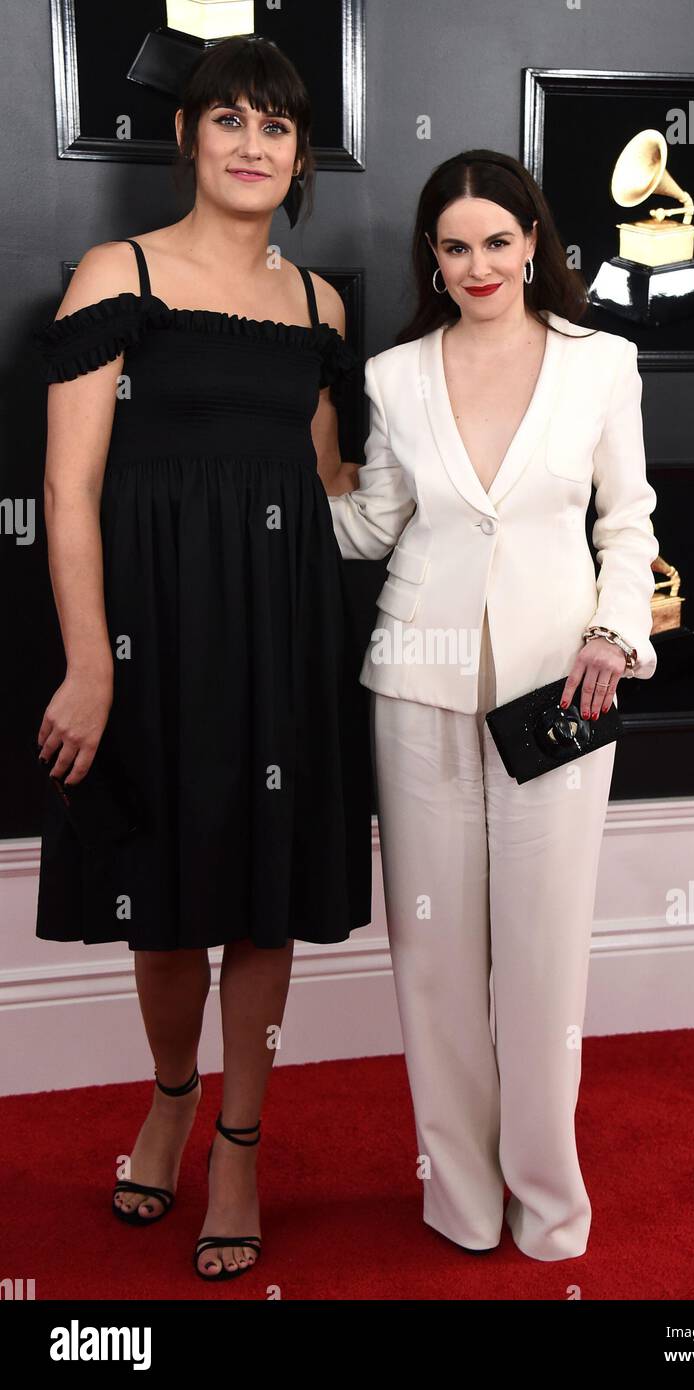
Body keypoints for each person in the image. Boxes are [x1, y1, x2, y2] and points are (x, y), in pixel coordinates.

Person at [31, 36, 371, 1282]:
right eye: (226, 119)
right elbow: (67, 490)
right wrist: (90, 662)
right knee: (163, 905)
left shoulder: (322, 305)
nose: (249, 143)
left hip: (282, 626)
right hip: (150, 629)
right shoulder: (115, 272)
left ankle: (240, 1140)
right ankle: (171, 1096)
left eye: (274, 126)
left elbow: (334, 483)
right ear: (187, 139)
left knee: (265, 901)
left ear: (299, 156)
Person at [327, 149, 659, 1261]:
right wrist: (295, 449)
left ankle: (550, 1203)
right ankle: (461, 1198)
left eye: (499, 242)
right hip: (416, 687)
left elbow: (629, 521)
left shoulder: (602, 362)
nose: (479, 265)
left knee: (542, 950)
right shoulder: (393, 374)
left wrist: (616, 631)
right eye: (455, 246)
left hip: (560, 688)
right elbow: (373, 525)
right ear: (434, 254)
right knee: (432, 958)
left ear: (534, 243)